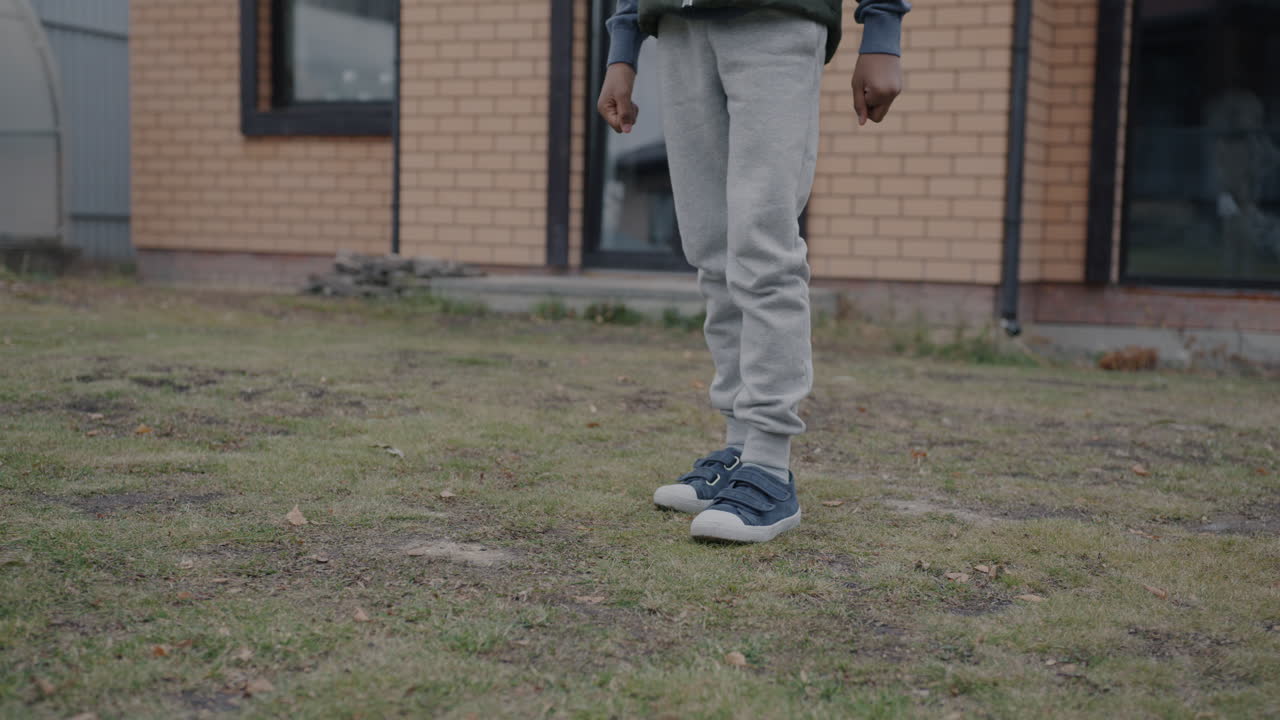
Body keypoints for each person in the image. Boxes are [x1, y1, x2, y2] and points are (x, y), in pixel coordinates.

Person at [597, 0, 910, 543]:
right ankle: (739, 448)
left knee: (763, 245)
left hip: (778, 17)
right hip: (678, 25)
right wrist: (623, 43)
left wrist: (881, 27)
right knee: (713, 252)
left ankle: (768, 464)